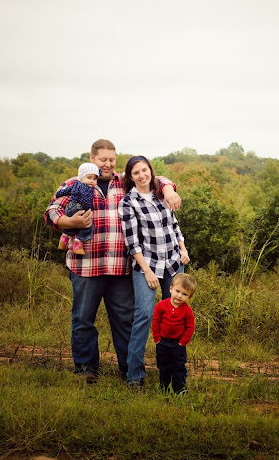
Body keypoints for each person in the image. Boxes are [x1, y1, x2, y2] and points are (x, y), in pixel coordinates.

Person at [44, 139, 180, 384]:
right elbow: (52, 211)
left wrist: (169, 190)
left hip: (120, 268)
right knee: (83, 319)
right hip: (86, 266)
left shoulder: (123, 182)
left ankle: (128, 369)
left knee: (125, 320)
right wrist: (70, 222)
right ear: (92, 158)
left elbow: (154, 178)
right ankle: (86, 368)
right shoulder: (75, 183)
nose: (107, 164)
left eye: (111, 160)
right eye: (102, 160)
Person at [118, 155, 190, 387]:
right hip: (146, 265)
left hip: (172, 262)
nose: (142, 175)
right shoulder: (128, 203)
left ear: (150, 170)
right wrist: (147, 271)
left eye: (144, 170)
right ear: (130, 177)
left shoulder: (161, 194)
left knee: (176, 315)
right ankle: (134, 376)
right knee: (143, 316)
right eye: (136, 173)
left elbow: (174, 226)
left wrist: (183, 249)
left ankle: (174, 374)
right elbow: (132, 243)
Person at [152, 272, 196, 394]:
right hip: (162, 342)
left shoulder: (187, 310)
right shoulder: (161, 305)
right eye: (177, 291)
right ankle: (165, 389)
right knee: (163, 366)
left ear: (189, 297)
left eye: (184, 294)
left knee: (178, 366)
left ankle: (179, 389)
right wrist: (157, 339)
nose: (179, 296)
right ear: (171, 289)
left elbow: (190, 327)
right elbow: (155, 321)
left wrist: (183, 342)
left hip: (178, 344)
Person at [57, 163, 100, 255]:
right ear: (81, 177)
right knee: (88, 225)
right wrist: (87, 210)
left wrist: (58, 194)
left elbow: (67, 191)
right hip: (78, 207)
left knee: (73, 225)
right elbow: (86, 200)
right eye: (89, 178)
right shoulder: (87, 188)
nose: (92, 181)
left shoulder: (76, 184)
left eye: (94, 179)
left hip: (69, 207)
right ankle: (78, 242)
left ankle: (64, 238)